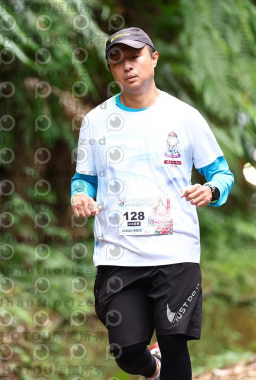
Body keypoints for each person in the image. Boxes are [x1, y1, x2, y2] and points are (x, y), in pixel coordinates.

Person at [70, 27, 234, 380]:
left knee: (175, 343)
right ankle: (153, 368)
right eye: (118, 61)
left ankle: (167, 362)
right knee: (127, 351)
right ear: (111, 70)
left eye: (135, 57)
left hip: (175, 251)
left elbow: (222, 174)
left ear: (154, 58)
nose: (128, 66)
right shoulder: (96, 122)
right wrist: (80, 195)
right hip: (119, 254)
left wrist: (210, 191)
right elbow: (84, 178)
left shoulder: (184, 117)